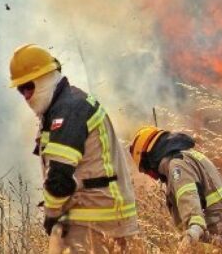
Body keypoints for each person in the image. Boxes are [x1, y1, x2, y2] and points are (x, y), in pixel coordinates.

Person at [9, 44, 138, 252]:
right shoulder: (67, 105)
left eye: (28, 86)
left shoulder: (69, 110)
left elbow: (59, 179)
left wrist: (51, 213)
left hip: (93, 219)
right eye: (20, 90)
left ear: (45, 78)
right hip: (96, 216)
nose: (25, 95)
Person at [129, 126, 222, 246]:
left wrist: (191, 234)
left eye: (144, 169)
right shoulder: (188, 155)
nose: (150, 175)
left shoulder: (177, 165)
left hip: (215, 239)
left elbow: (189, 200)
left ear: (149, 158)